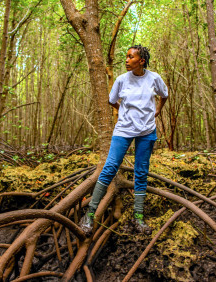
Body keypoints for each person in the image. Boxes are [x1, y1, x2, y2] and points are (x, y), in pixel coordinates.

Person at [80, 45, 168, 235]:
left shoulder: (154, 78)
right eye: (126, 57)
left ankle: (138, 217)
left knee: (141, 172)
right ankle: (90, 215)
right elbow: (112, 100)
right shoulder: (121, 80)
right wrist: (123, 111)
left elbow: (164, 94)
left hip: (147, 131)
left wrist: (158, 110)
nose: (126, 60)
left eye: (130, 57)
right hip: (124, 130)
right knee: (110, 167)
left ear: (141, 61)